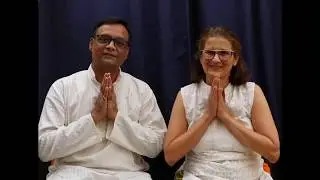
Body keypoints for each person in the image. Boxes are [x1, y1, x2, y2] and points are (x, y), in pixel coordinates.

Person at [38, 17, 167, 180]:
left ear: (127, 52)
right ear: (91, 44)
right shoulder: (63, 87)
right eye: (104, 39)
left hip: (129, 174)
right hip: (73, 172)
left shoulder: (141, 90)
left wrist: (117, 119)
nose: (111, 46)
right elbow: (44, 147)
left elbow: (155, 146)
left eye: (119, 42)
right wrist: (93, 119)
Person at [163, 26, 280, 180]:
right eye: (210, 53)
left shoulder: (252, 92)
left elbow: (273, 153)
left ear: (235, 59)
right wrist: (208, 116)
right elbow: (170, 156)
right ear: (201, 57)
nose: (216, 59)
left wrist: (226, 116)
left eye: (224, 53)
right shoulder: (186, 95)